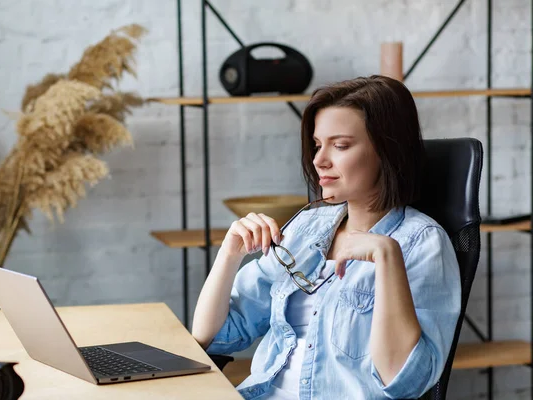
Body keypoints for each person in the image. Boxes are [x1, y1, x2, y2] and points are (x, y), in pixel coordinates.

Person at [191, 75, 461, 399]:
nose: (319, 160)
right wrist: (229, 254)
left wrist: (387, 256)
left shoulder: (422, 243)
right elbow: (214, 335)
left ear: (387, 150)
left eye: (341, 145)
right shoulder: (306, 227)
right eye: (318, 144)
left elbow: (404, 381)